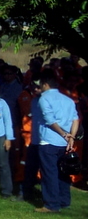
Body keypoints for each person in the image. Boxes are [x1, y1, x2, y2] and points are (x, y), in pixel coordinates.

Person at [33, 77, 79, 212]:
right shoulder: (68, 100)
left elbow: (49, 120)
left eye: (41, 85)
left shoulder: (44, 99)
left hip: (49, 140)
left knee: (49, 172)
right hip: (64, 142)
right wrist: (71, 137)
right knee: (63, 171)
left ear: (46, 85)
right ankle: (64, 200)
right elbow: (75, 119)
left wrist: (63, 133)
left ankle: (51, 204)